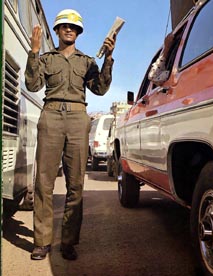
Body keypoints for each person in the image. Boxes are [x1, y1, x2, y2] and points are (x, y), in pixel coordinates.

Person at [25, 9, 116, 261]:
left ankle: (68, 241)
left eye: (74, 27)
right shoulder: (45, 59)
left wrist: (109, 57)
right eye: (65, 26)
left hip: (78, 119)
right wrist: (33, 52)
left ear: (78, 33)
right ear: (56, 30)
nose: (69, 30)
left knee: (75, 183)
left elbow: (99, 89)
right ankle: (42, 242)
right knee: (44, 182)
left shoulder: (87, 62)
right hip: (51, 116)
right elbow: (32, 85)